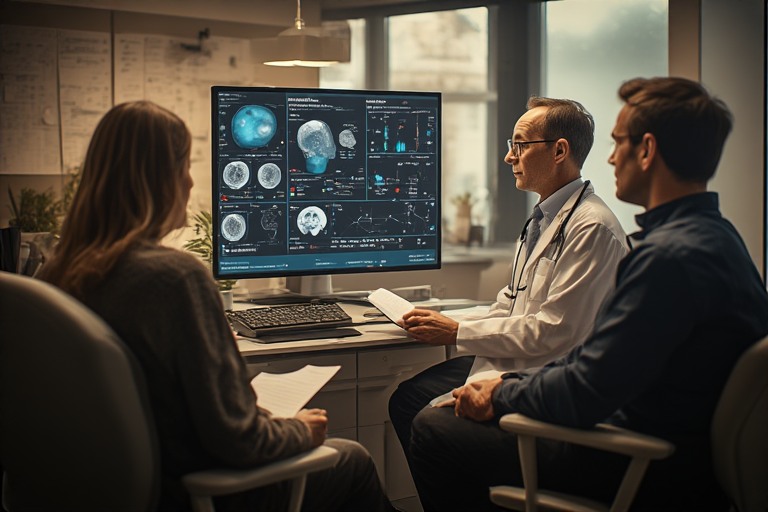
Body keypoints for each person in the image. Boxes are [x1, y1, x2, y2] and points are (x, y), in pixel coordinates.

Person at [407, 77, 768, 511]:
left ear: (647, 150)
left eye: (618, 143)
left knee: (432, 427)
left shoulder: (667, 260)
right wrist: (511, 382)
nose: (611, 158)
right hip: (675, 451)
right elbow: (595, 363)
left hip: (639, 463)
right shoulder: (716, 238)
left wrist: (501, 394)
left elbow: (585, 388)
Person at [38, 101, 393, 512]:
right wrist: (300, 430)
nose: (190, 183)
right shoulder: (175, 279)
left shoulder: (53, 277)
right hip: (199, 491)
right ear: (159, 179)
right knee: (353, 458)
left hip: (93, 492)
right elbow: (239, 440)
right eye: (184, 166)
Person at [388, 97, 628, 466]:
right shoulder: (543, 219)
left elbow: (555, 332)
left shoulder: (591, 227)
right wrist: (446, 323)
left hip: (545, 372)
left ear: (559, 150)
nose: (509, 157)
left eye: (519, 145)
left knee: (427, 421)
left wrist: (456, 332)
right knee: (407, 397)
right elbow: (509, 305)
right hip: (520, 356)